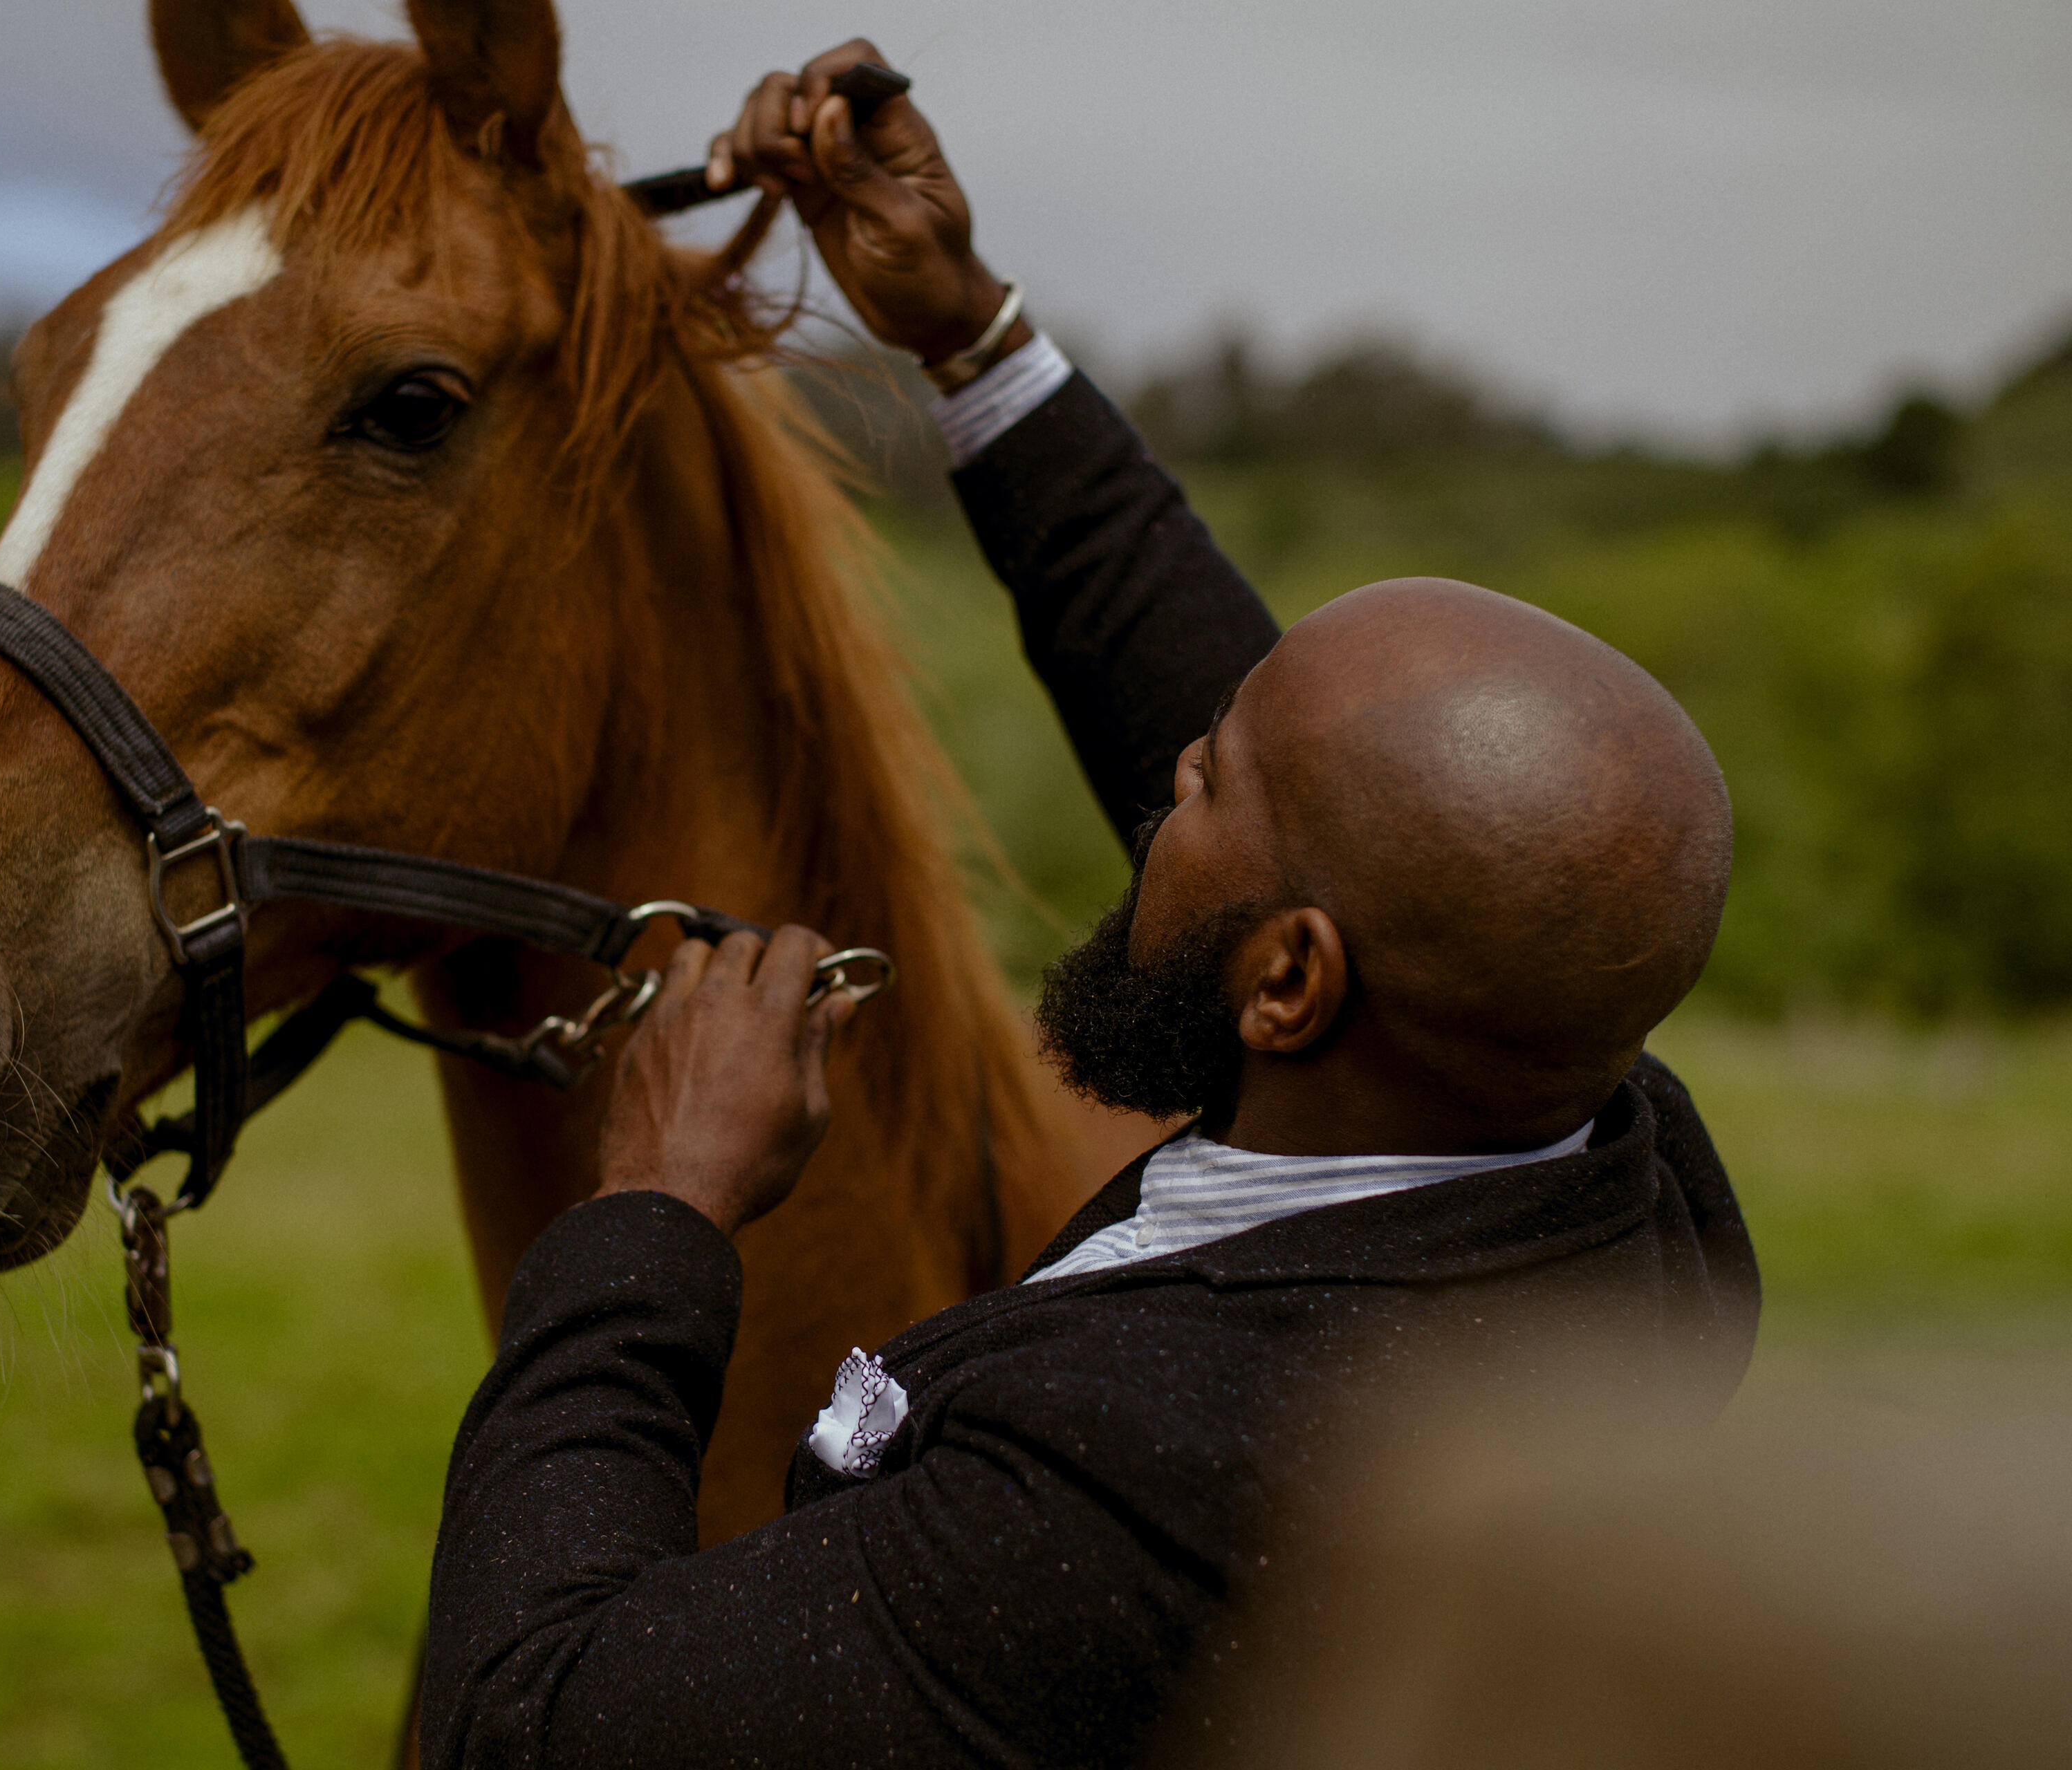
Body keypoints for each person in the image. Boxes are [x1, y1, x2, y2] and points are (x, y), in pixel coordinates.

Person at [420, 41, 1758, 1769]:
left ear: (1289, 983)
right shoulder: (1615, 1166)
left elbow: (527, 1721)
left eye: (1203, 784)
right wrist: (966, 333)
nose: (1167, 771)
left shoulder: (1134, 1477)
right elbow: (1294, 758)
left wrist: (658, 1205)